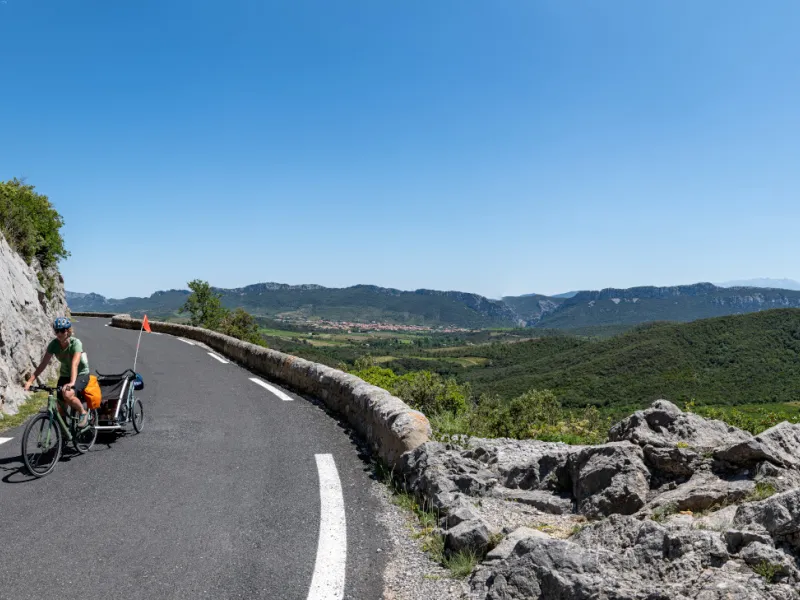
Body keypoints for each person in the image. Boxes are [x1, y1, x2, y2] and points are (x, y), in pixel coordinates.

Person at [24, 317, 91, 427]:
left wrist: (72, 383)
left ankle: (83, 413)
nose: (59, 334)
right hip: (65, 374)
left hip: (81, 374)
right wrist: (30, 381)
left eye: (62, 330)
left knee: (68, 395)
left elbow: (75, 364)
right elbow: (43, 364)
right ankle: (64, 433)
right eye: (57, 331)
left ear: (68, 331)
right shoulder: (54, 344)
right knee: (60, 405)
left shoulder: (76, 343)